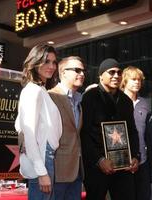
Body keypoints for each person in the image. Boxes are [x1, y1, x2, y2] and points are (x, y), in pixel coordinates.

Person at [80, 58, 140, 200]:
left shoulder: (126, 101)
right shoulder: (89, 97)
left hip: (123, 165)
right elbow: (85, 133)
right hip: (97, 166)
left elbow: (132, 131)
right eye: (111, 72)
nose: (116, 76)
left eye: (119, 73)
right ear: (101, 75)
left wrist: (135, 156)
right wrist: (99, 159)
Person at [15, 44, 62, 199]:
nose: (51, 66)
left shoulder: (40, 89)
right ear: (35, 62)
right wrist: (41, 171)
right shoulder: (32, 90)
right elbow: (28, 133)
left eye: (54, 62)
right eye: (46, 61)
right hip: (42, 158)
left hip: (46, 156)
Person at [48, 56, 85, 199]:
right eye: (77, 70)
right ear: (63, 73)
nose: (82, 74)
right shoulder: (50, 96)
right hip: (56, 171)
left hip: (76, 171)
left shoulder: (79, 100)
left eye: (83, 70)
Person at [120, 66, 151, 200]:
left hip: (142, 159)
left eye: (139, 80)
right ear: (125, 81)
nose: (137, 82)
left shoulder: (144, 103)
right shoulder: (117, 100)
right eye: (133, 79)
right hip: (122, 160)